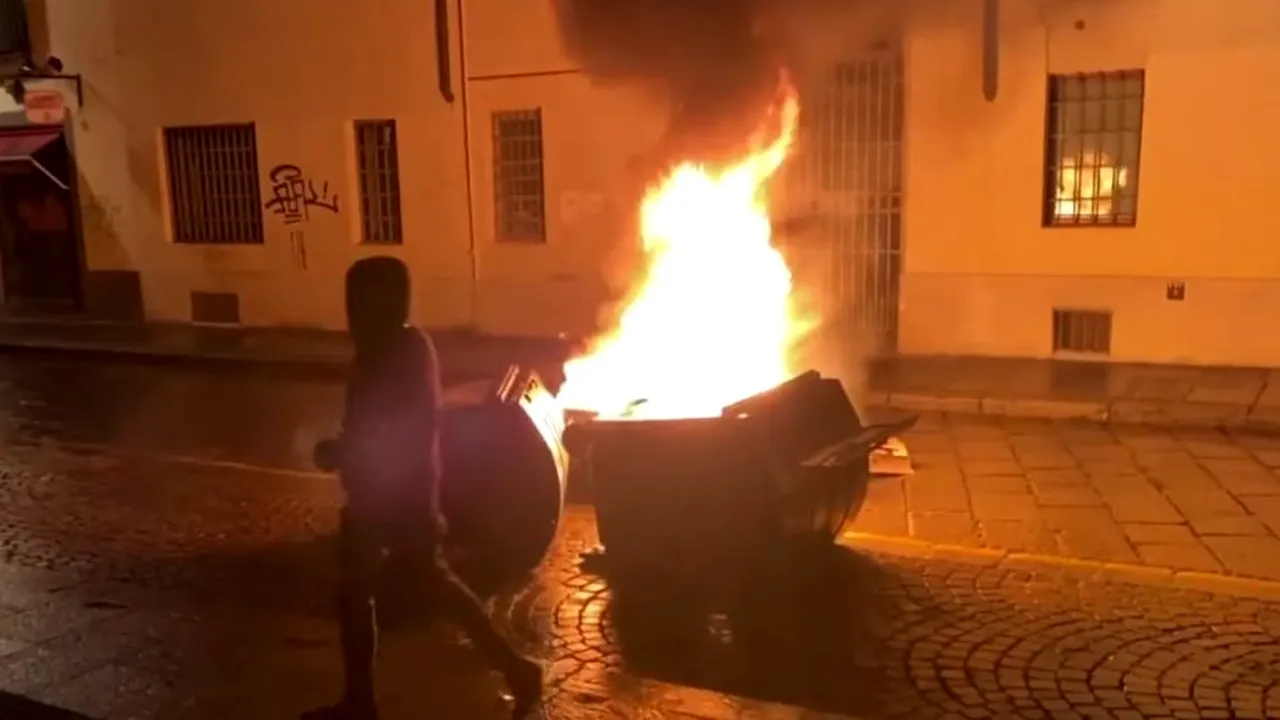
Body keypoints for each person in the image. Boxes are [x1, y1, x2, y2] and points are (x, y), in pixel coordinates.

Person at [303, 256, 543, 720]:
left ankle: (514, 670)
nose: (353, 314)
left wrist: (344, 453)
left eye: (362, 303)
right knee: (378, 590)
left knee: (403, 589)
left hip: (396, 497)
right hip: (381, 494)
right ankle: (364, 698)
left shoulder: (402, 354)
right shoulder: (384, 349)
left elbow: (401, 431)